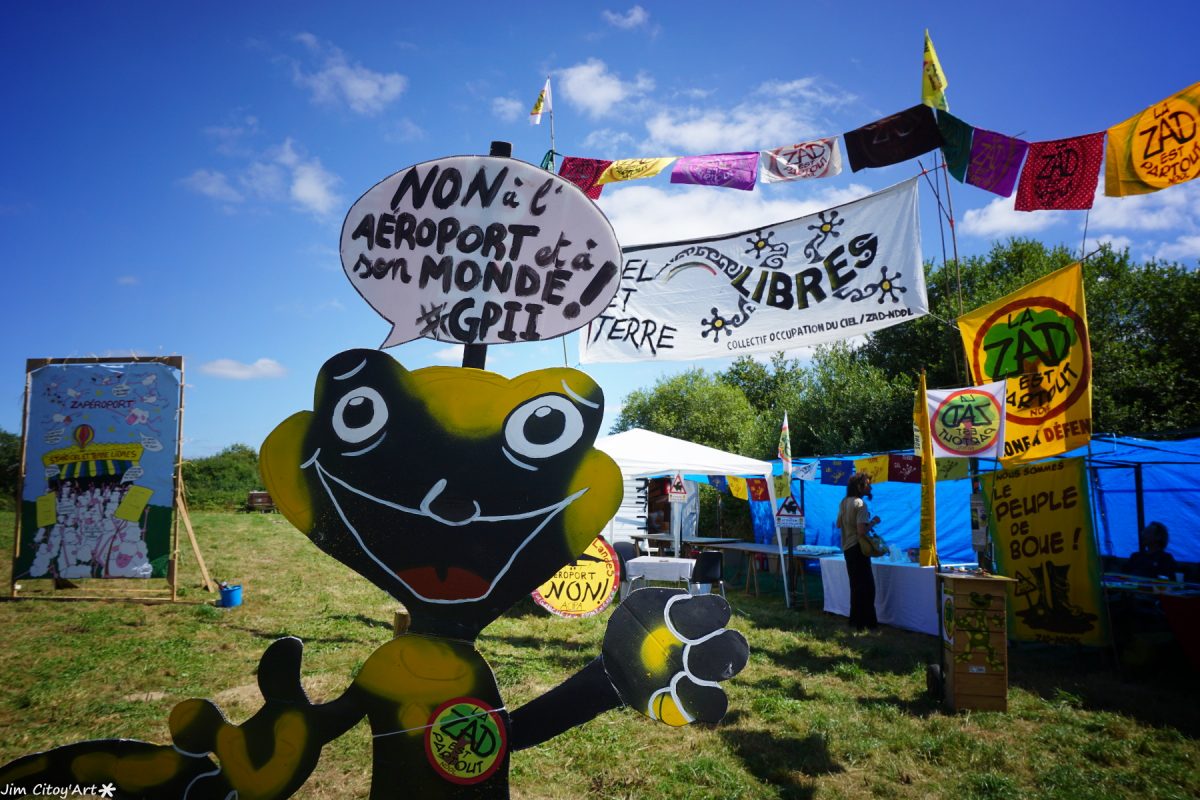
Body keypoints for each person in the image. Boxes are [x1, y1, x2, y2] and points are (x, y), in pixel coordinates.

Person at [838, 472, 881, 631]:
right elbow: (862, 531)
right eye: (867, 484)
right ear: (859, 487)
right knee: (867, 587)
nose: (870, 487)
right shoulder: (860, 504)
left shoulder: (844, 502)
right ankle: (868, 624)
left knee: (855, 586)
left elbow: (838, 524)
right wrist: (873, 522)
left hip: (848, 548)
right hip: (858, 547)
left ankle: (855, 622)